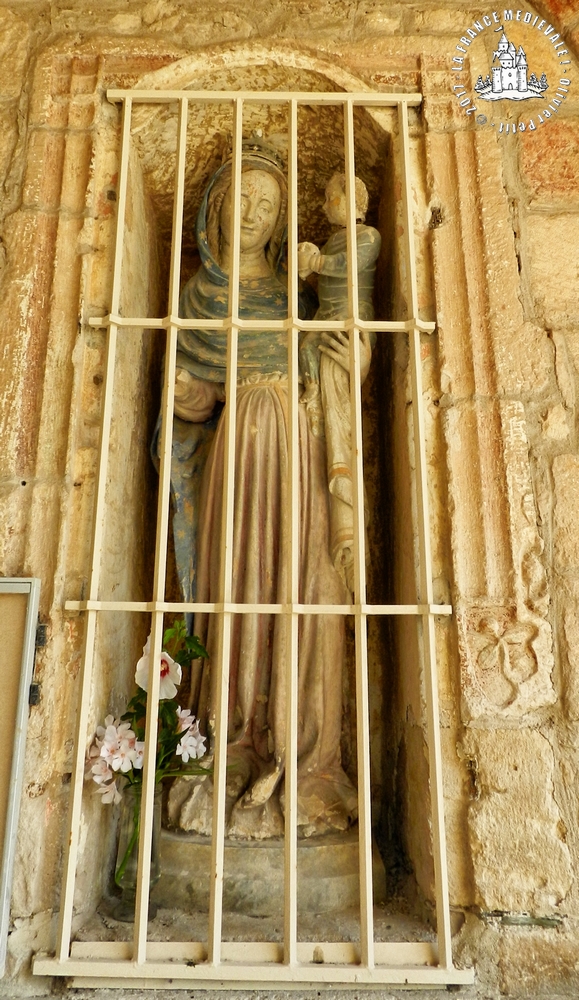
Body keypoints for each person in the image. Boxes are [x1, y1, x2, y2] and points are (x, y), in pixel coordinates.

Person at [167, 145, 361, 839]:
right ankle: (233, 746)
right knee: (240, 589)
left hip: (301, 452)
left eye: (268, 206)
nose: (253, 214)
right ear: (215, 207)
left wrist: (350, 356)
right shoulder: (194, 299)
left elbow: (332, 360)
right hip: (238, 458)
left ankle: (302, 758)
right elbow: (192, 396)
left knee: (306, 590)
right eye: (242, 199)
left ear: (281, 222)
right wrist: (185, 395)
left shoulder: (294, 296)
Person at [297, 173, 381, 593]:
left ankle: (347, 522)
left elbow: (344, 268)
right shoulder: (331, 243)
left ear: (354, 201)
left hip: (349, 328)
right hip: (321, 325)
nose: (324, 205)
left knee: (339, 405)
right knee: (301, 365)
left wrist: (314, 263)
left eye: (331, 197)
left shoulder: (367, 237)